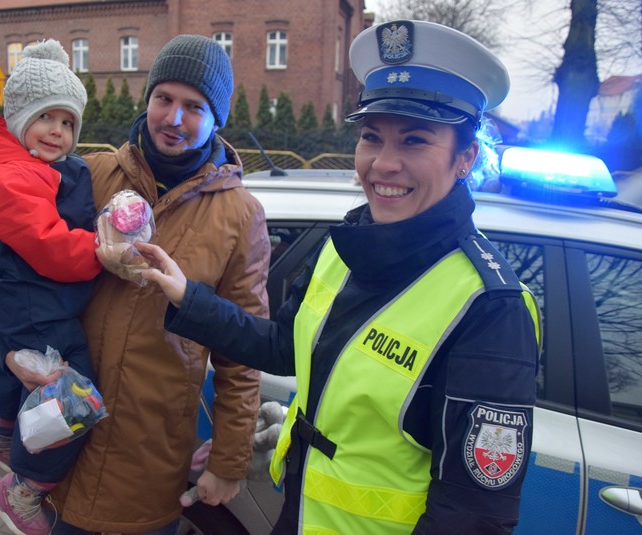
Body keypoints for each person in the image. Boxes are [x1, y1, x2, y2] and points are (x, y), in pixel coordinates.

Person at [138, 20, 542, 535]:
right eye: (371, 138)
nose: (384, 164)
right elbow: (284, 345)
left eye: (415, 141)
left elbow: (474, 518)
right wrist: (186, 296)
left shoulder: (490, 307)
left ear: (466, 158)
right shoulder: (345, 248)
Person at [5, 34, 270, 534]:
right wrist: (6, 349)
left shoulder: (241, 216)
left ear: (218, 119)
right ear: (146, 100)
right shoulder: (89, 174)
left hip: (151, 458)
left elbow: (243, 350)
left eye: (194, 106)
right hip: (64, 442)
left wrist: (229, 461)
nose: (173, 118)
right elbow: (17, 269)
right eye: (163, 99)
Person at [0, 39, 103, 535]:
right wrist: (101, 251)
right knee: (76, 396)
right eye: (46, 118)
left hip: (26, 299)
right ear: (19, 119)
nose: (58, 131)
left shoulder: (29, 168)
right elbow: (50, 246)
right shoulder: (11, 176)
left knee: (20, 357)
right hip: (35, 299)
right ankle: (23, 490)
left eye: (68, 123)